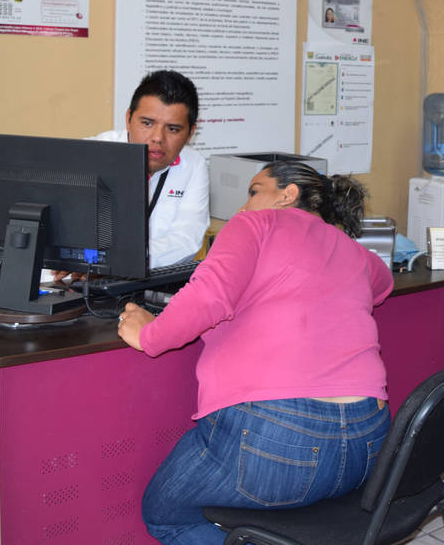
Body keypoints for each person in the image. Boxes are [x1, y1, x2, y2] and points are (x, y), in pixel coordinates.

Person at [118, 161, 394, 545]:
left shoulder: (254, 224)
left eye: (254, 191)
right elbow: (383, 284)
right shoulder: (354, 250)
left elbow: (208, 298)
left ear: (287, 194)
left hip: (276, 437)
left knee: (166, 514)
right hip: (368, 444)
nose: (243, 206)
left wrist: (148, 334)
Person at [90, 70, 209, 269]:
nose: (157, 138)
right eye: (147, 123)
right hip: (76, 277)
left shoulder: (194, 164)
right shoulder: (92, 154)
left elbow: (186, 240)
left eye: (173, 129)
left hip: (149, 275)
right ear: (128, 119)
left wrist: (116, 259)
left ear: (190, 133)